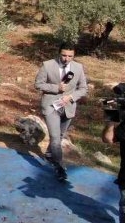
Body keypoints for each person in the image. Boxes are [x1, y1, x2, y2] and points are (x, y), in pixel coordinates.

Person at [34, 42, 88, 181]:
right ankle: (60, 168)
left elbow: (83, 89)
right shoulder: (48, 65)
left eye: (70, 56)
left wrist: (71, 97)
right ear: (59, 53)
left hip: (68, 107)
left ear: (74, 55)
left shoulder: (78, 67)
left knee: (61, 135)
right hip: (51, 106)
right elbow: (38, 84)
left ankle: (49, 154)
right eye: (64, 55)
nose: (66, 58)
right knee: (55, 138)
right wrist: (56, 88)